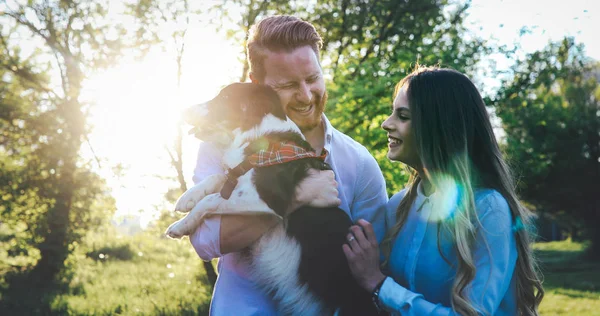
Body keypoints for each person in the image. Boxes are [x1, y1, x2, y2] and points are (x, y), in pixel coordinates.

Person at [189, 15, 389, 315]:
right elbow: (205, 241)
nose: (306, 95)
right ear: (257, 86)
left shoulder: (359, 163)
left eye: (312, 79)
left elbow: (373, 266)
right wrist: (295, 197)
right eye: (288, 85)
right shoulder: (219, 149)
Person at [343, 66, 545, 315]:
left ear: (438, 127)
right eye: (392, 113)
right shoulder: (396, 208)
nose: (387, 124)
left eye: (403, 116)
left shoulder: (488, 209)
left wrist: (380, 286)